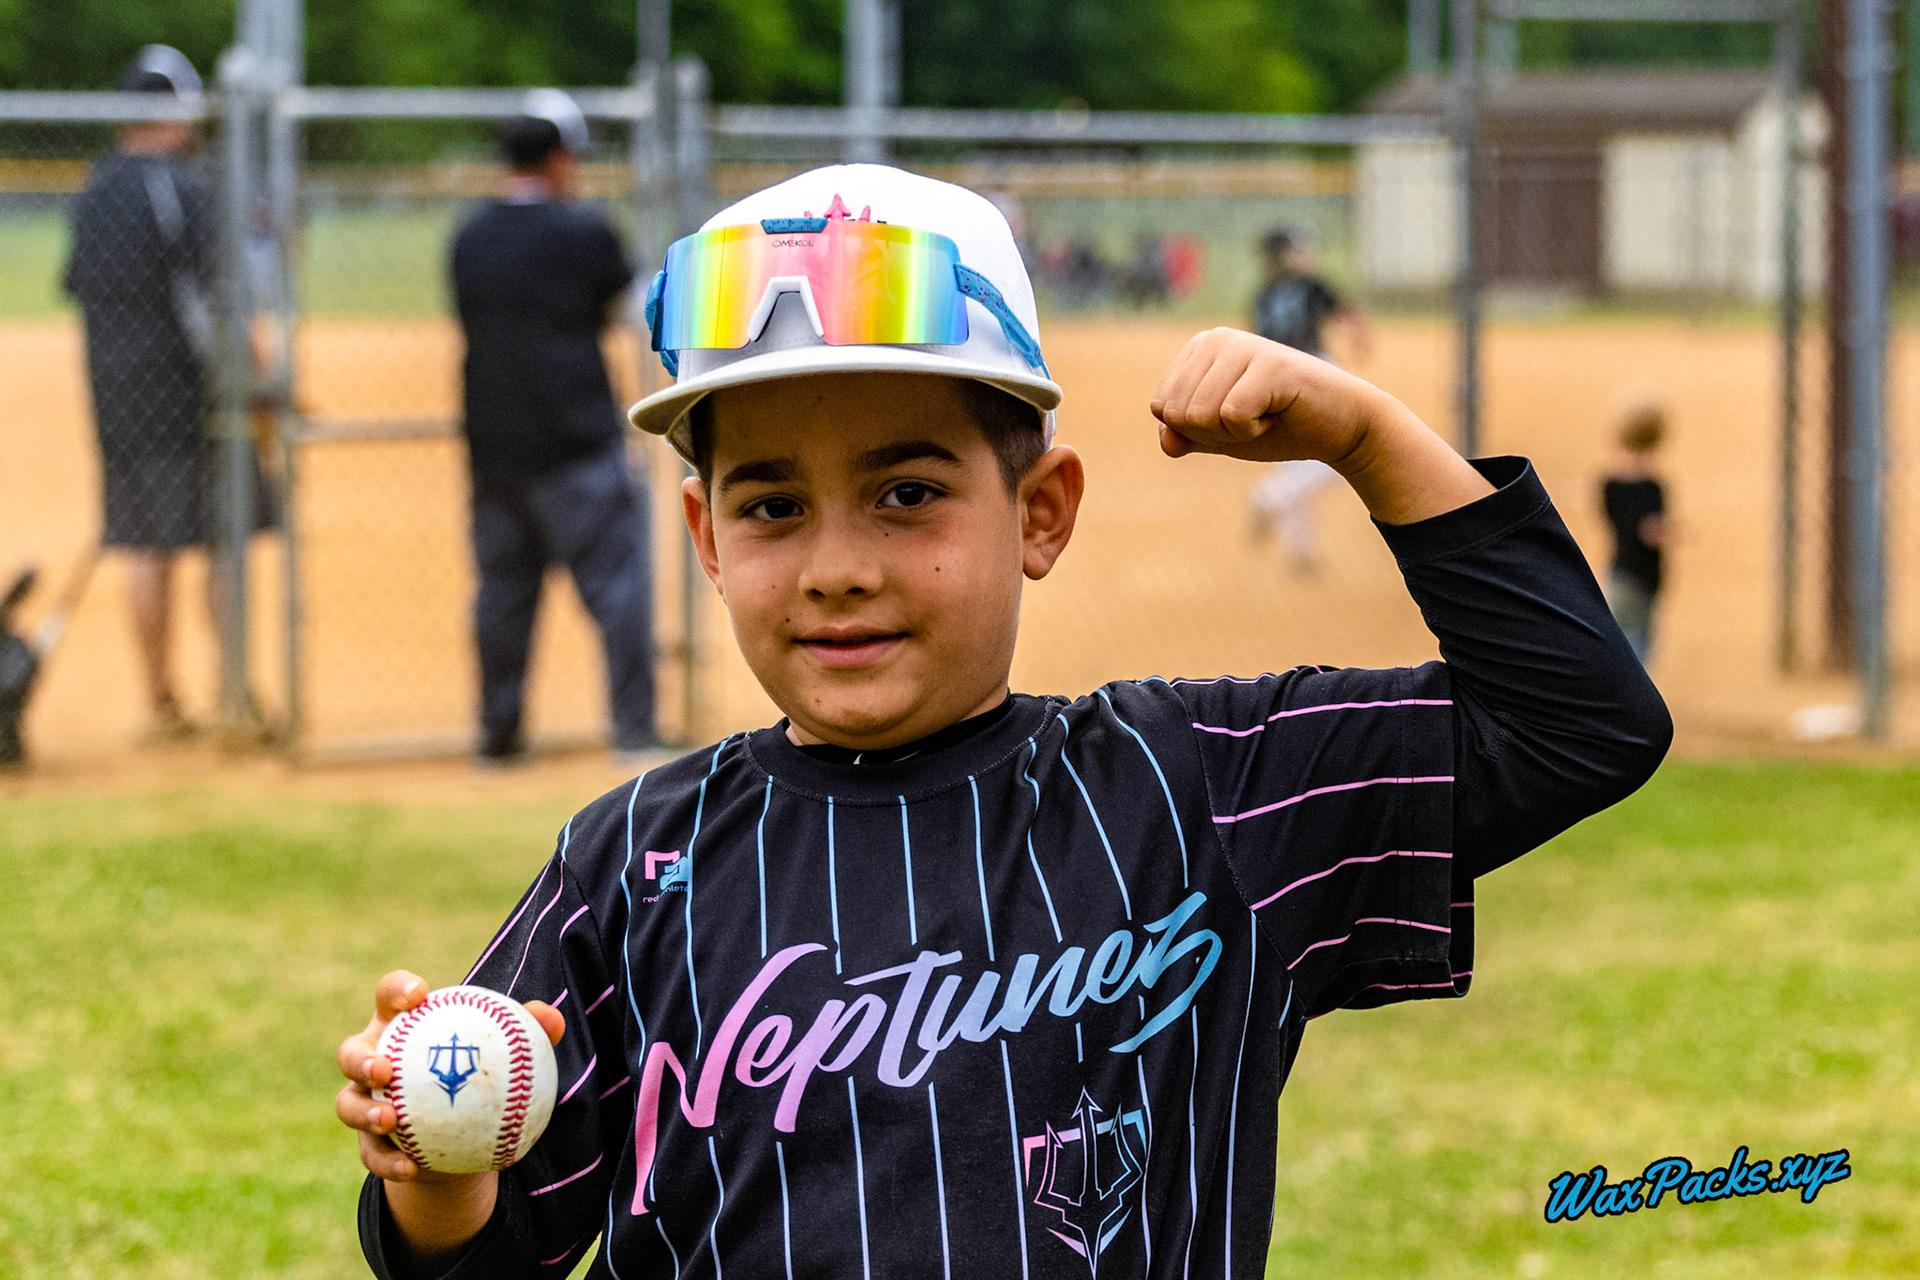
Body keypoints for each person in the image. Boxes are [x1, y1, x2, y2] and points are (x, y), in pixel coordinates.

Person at [334, 164, 1670, 1279]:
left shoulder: (1195, 796)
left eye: (907, 494)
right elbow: (479, 1255)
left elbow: (1577, 723)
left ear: (1041, 512)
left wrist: (1363, 432)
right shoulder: (633, 864)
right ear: (702, 533)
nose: (836, 563)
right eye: (770, 505)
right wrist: (433, 1176)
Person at [451, 90, 655, 763]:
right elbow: (625, 307)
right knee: (618, 588)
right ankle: (633, 732)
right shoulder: (583, 231)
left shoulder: (469, 237)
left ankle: (498, 738)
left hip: (494, 446)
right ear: (560, 157)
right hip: (576, 440)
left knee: (503, 597)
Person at [63, 45, 222, 743]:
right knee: (222, 540)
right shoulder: (180, 188)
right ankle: (233, 695)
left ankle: (161, 701)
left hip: (114, 392)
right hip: (191, 393)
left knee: (143, 548)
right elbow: (214, 299)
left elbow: (78, 287)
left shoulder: (94, 187)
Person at [1247, 227, 1372, 573]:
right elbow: (1347, 315)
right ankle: (1268, 499)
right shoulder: (1311, 283)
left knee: (1293, 461)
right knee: (1337, 458)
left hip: (1274, 377)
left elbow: (1257, 345)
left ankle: (1300, 551)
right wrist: (1360, 336)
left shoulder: (1260, 295)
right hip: (1316, 370)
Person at [1600, 402, 1670, 664]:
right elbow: (1650, 530)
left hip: (1618, 572)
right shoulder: (1652, 486)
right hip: (1643, 577)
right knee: (1639, 648)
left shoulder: (1609, 483)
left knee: (1620, 644)